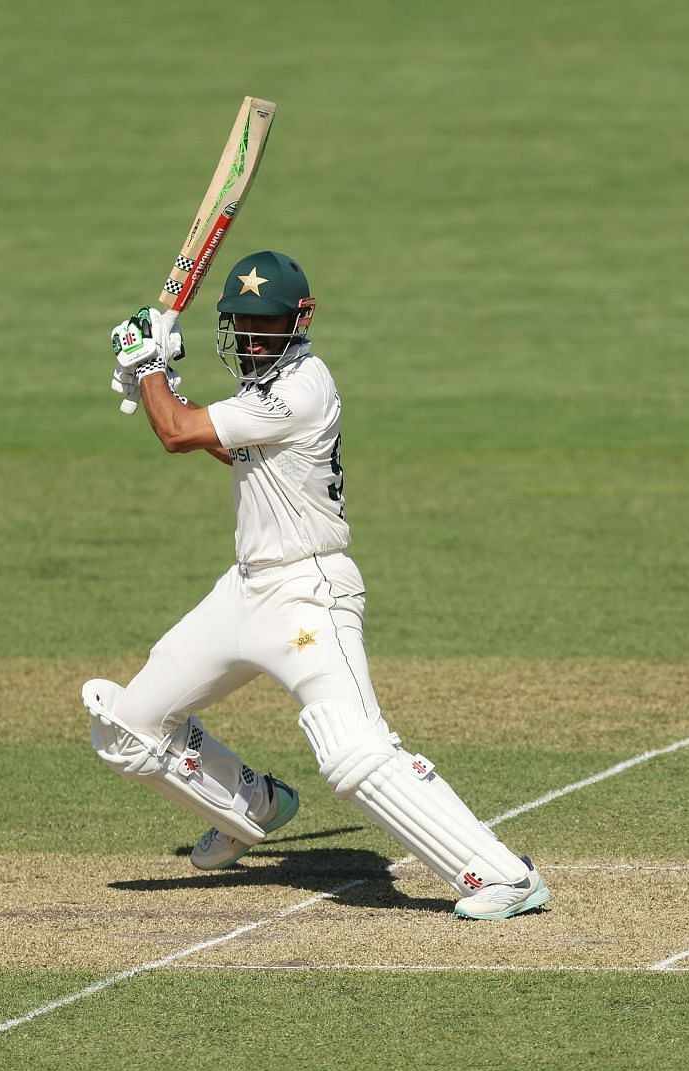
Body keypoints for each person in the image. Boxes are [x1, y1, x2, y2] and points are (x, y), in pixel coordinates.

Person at [82, 250, 550, 920]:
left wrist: (149, 368)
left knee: (352, 753)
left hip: (309, 594)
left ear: (298, 324)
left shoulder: (302, 386)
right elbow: (221, 441)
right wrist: (159, 383)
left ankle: (504, 877)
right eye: (240, 325)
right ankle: (256, 806)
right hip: (243, 593)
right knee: (127, 727)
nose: (250, 339)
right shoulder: (259, 394)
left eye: (263, 327)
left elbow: (177, 435)